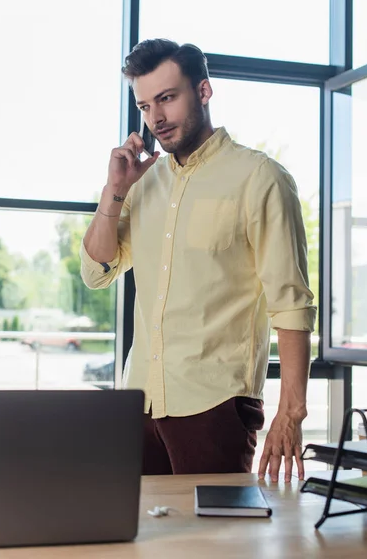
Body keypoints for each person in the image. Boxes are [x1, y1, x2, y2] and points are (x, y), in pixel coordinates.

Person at [80, 39, 317, 481]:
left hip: (216, 408)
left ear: (204, 91)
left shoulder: (259, 178)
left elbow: (291, 302)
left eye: (167, 98)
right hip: (140, 403)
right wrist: (115, 191)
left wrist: (292, 412)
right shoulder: (142, 183)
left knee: (216, 545)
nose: (156, 118)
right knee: (139, 545)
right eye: (146, 106)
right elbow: (96, 272)